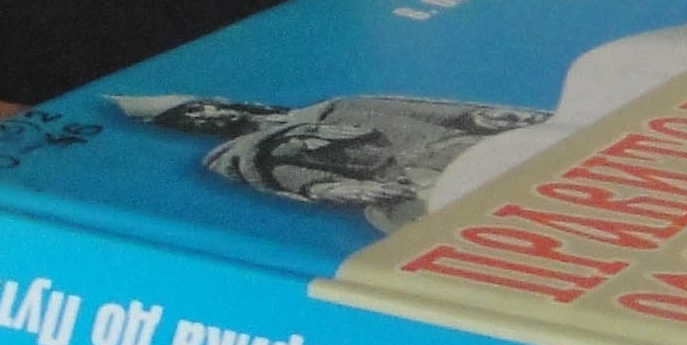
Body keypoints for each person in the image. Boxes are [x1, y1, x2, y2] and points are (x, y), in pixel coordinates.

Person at [114, 86, 548, 229]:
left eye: (198, 107)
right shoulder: (240, 154)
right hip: (417, 188)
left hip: (473, 151)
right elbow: (289, 179)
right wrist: (336, 188)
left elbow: (442, 113)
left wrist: (485, 118)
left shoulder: (338, 105)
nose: (205, 117)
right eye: (188, 119)